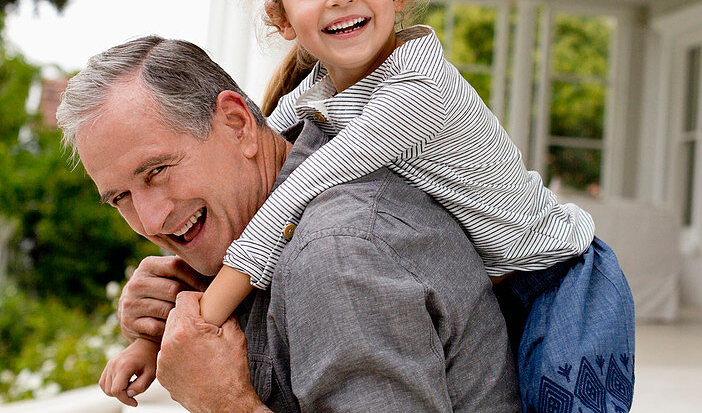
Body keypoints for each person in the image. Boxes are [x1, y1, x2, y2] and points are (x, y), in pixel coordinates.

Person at [104, 0, 635, 411]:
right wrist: (157, 330)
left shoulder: (417, 93)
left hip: (561, 282)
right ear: (281, 17)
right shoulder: (317, 97)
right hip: (500, 283)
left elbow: (292, 193)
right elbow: (260, 145)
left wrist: (200, 323)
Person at [57, 36, 520, 411]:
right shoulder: (258, 223)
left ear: (238, 125)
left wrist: (226, 404)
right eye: (121, 197)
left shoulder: (335, 255)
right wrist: (159, 324)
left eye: (157, 171)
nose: (152, 219)